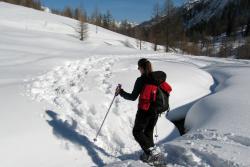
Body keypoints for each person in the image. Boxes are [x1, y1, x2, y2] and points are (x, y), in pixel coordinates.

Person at [115, 58, 161, 161]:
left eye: (139, 67)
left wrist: (121, 92)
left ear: (142, 68)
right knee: (148, 132)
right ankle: (153, 154)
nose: (138, 69)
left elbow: (132, 97)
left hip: (144, 110)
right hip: (156, 111)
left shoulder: (141, 80)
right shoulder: (156, 78)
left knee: (137, 132)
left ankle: (151, 152)